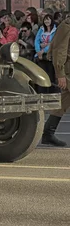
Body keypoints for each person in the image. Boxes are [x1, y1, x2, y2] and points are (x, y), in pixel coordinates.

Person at [45, 14, 69, 147]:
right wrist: (60, 73)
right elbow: (59, 50)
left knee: (63, 102)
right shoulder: (66, 26)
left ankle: (48, 133)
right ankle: (48, 133)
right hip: (68, 70)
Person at [35, 14, 57, 94]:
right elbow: (37, 40)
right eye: (45, 20)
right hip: (40, 55)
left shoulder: (55, 30)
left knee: (50, 75)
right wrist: (38, 51)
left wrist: (44, 50)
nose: (46, 21)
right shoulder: (41, 29)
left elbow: (53, 43)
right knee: (41, 75)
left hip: (49, 55)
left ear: (51, 20)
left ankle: (51, 93)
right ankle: (42, 93)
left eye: (48, 19)